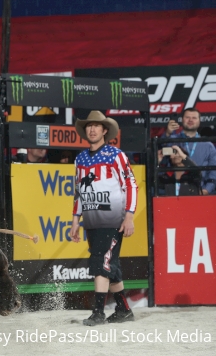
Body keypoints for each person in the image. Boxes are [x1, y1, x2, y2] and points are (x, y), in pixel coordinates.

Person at [68, 110, 137, 326]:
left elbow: (130, 185)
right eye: (89, 125)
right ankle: (124, 309)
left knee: (100, 261)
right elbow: (79, 192)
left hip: (113, 219)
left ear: (104, 130)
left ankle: (98, 312)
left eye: (96, 125)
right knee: (110, 265)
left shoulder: (117, 155)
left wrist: (129, 217)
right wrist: (75, 220)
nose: (92, 129)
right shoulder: (79, 158)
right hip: (92, 221)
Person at [165, 108, 216, 195]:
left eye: (194, 118)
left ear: (199, 121)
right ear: (182, 120)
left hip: (200, 191)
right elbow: (161, 156)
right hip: (176, 191)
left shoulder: (208, 145)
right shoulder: (172, 140)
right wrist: (167, 134)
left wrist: (206, 190)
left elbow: (214, 172)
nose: (191, 120)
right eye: (187, 117)